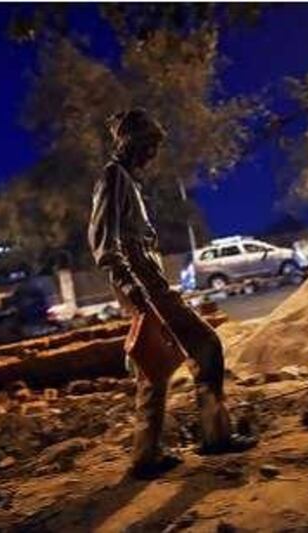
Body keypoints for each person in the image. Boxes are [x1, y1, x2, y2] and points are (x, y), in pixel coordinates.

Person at [88, 108, 257, 479]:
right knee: (206, 346)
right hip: (145, 286)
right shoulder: (114, 177)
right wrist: (135, 290)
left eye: (155, 146)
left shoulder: (126, 181)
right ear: (131, 143)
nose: (153, 154)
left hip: (148, 284)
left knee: (155, 366)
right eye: (148, 145)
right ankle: (215, 437)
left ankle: (146, 456)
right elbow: (103, 243)